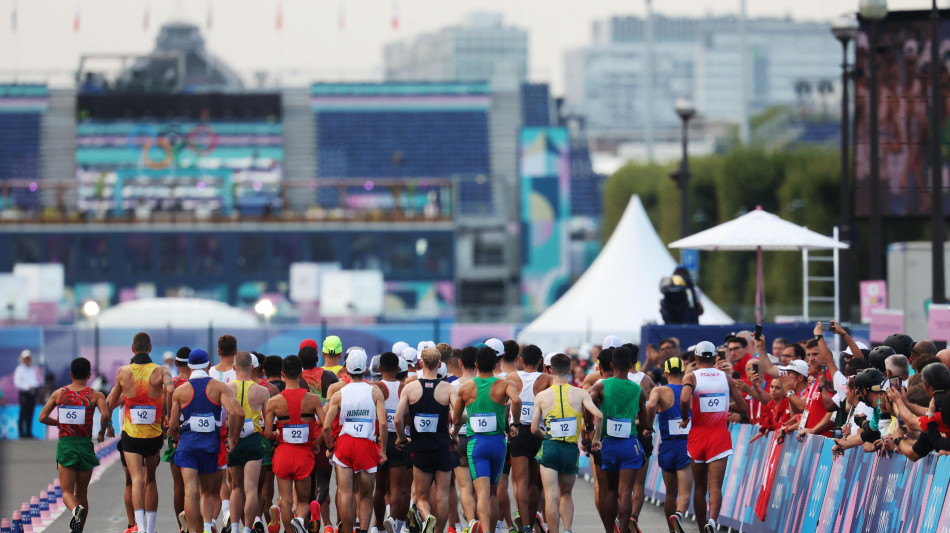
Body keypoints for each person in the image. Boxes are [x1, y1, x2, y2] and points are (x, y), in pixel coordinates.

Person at [169, 349, 244, 533]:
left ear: (189, 367)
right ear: (209, 366)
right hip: (210, 447)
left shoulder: (180, 391)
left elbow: (172, 425)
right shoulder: (219, 387)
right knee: (209, 492)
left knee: (190, 491)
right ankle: (208, 525)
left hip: (187, 446)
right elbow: (233, 412)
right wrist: (231, 438)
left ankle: (194, 530)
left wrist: (177, 439)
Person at [679, 341, 748, 533]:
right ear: (715, 358)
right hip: (719, 435)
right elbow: (743, 408)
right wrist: (724, 405)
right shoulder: (725, 378)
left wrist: (686, 417)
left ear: (697, 358)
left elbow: (684, 399)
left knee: (699, 487)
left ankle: (702, 529)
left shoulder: (691, 376)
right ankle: (712, 521)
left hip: (698, 435)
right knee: (715, 486)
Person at [107, 332, 172, 533]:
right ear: (150, 349)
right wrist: (167, 416)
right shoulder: (162, 370)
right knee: (150, 479)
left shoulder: (124, 372)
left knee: (136, 479)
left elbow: (110, 402)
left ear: (133, 349)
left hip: (132, 435)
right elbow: (170, 390)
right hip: (153, 435)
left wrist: (107, 426)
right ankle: (151, 529)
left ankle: (140, 528)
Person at [531, 353, 602, 533]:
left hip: (550, 447)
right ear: (569, 370)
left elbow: (533, 429)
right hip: (570, 449)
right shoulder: (580, 393)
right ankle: (568, 529)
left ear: (551, 370)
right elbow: (599, 416)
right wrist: (595, 439)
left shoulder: (541, 396)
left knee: (551, 496)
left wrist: (545, 435)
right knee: (566, 494)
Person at [38, 357, 111, 533]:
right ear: (89, 375)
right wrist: (102, 432)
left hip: (66, 446)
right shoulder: (96, 395)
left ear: (71, 374)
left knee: (66, 493)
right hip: (85, 446)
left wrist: (59, 423)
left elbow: (41, 417)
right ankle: (78, 530)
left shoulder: (59, 394)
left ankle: (74, 510)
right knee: (82, 494)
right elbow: (105, 414)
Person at [453, 347, 522, 533]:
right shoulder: (505, 384)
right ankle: (493, 530)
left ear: (475, 365)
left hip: (476, 444)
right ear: (495, 364)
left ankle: (483, 529)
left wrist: (455, 433)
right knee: (493, 492)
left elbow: (456, 419)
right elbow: (516, 401)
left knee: (481, 494)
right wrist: (515, 424)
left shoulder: (465, 388)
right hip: (498, 443)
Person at [323, 349, 388, 533]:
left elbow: (326, 427)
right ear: (366, 367)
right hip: (367, 446)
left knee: (346, 494)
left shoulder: (339, 394)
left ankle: (347, 529)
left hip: (345, 444)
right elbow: (383, 424)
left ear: (347, 368)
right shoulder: (375, 392)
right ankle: (364, 529)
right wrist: (382, 450)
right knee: (366, 495)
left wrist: (330, 447)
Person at [396, 347, 460, 533]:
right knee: (442, 495)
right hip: (442, 447)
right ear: (440, 365)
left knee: (421, 497)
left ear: (421, 363)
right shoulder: (448, 389)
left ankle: (426, 517)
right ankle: (438, 530)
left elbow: (398, 419)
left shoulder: (410, 387)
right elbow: (461, 415)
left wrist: (402, 438)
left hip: (420, 447)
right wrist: (454, 433)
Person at [265, 355, 327, 533]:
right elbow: (325, 425)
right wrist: (318, 441)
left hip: (283, 453)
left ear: (282, 374)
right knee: (303, 501)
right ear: (301, 374)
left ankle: (290, 529)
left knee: (285, 500)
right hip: (304, 454)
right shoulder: (312, 400)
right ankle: (299, 519)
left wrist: (277, 436)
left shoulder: (273, 402)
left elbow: (268, 432)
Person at [589, 346, 648, 533]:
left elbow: (588, 402)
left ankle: (609, 530)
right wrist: (642, 426)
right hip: (629, 443)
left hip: (607, 444)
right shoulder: (638, 389)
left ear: (612, 364)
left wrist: (590, 428)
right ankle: (623, 530)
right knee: (626, 491)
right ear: (631, 365)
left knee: (610, 491)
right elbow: (645, 420)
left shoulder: (601, 385)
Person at [645, 357, 693, 533]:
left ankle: (671, 530)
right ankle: (679, 515)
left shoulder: (659, 390)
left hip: (667, 446)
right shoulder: (690, 391)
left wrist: (649, 427)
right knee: (685, 493)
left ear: (665, 373)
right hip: (686, 446)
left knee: (670, 494)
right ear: (683, 372)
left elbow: (650, 406)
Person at [506, 345, 550, 533]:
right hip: (539, 432)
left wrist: (509, 425)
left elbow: (506, 405)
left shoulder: (512, 378)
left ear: (521, 360)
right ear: (540, 361)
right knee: (534, 482)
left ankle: (525, 524)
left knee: (519, 481)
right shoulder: (549, 379)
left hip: (518, 431)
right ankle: (531, 523)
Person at [227, 352, 271, 533]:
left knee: (236, 487)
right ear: (252, 367)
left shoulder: (227, 388)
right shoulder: (262, 391)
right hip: (254, 440)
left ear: (234, 367)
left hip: (234, 440)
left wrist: (230, 436)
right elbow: (268, 422)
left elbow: (225, 415)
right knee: (252, 488)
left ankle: (235, 527)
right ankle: (247, 528)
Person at [298, 345, 340, 530]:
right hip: (323, 436)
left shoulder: (296, 380)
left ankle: (305, 519)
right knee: (323, 482)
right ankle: (317, 506)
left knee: (305, 483)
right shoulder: (329, 377)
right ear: (317, 358)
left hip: (303, 439)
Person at [374, 352, 412, 533]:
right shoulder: (405, 388)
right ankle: (393, 520)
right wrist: (402, 435)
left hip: (380, 441)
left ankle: (379, 526)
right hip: (399, 440)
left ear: (379, 369)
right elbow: (407, 415)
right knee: (398, 488)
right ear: (398, 369)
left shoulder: (374, 388)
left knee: (380, 489)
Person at [162, 347, 192, 532]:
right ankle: (198, 523)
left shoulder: (172, 385)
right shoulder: (203, 383)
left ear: (177, 363)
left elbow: (168, 417)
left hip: (177, 437)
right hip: (199, 437)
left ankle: (181, 527)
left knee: (179, 486)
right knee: (198, 485)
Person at [15, 349, 40, 438]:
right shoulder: (20, 369)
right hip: (24, 394)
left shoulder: (32, 369)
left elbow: (35, 380)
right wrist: (28, 386)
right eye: (26, 358)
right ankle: (21, 433)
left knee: (30, 413)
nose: (28, 359)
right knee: (23, 414)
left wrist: (35, 385)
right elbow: (17, 383)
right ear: (22, 359)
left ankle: (29, 433)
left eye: (29, 358)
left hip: (31, 394)